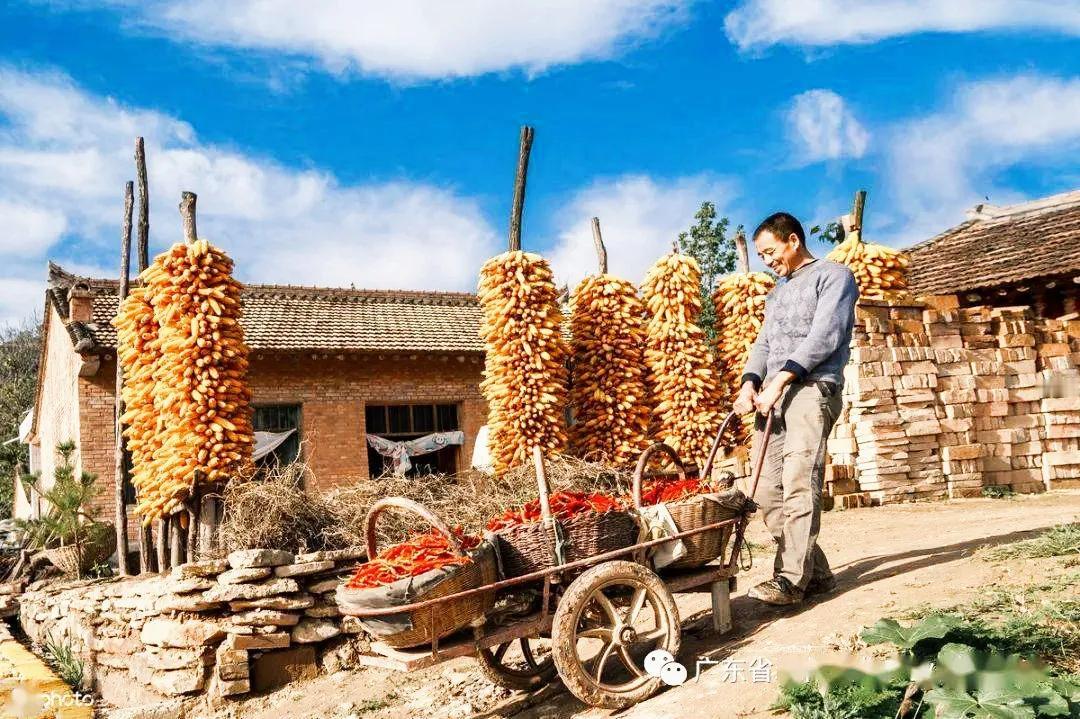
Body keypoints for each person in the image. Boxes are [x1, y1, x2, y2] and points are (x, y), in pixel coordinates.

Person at [733, 212, 858, 606]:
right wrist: (750, 383)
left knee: (800, 480)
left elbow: (826, 336)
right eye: (761, 255)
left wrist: (781, 380)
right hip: (771, 394)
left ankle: (789, 580)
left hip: (810, 387)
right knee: (766, 490)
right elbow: (765, 344)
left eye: (770, 251)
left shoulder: (834, 276)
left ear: (792, 240)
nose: (767, 260)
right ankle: (816, 574)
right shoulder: (777, 293)